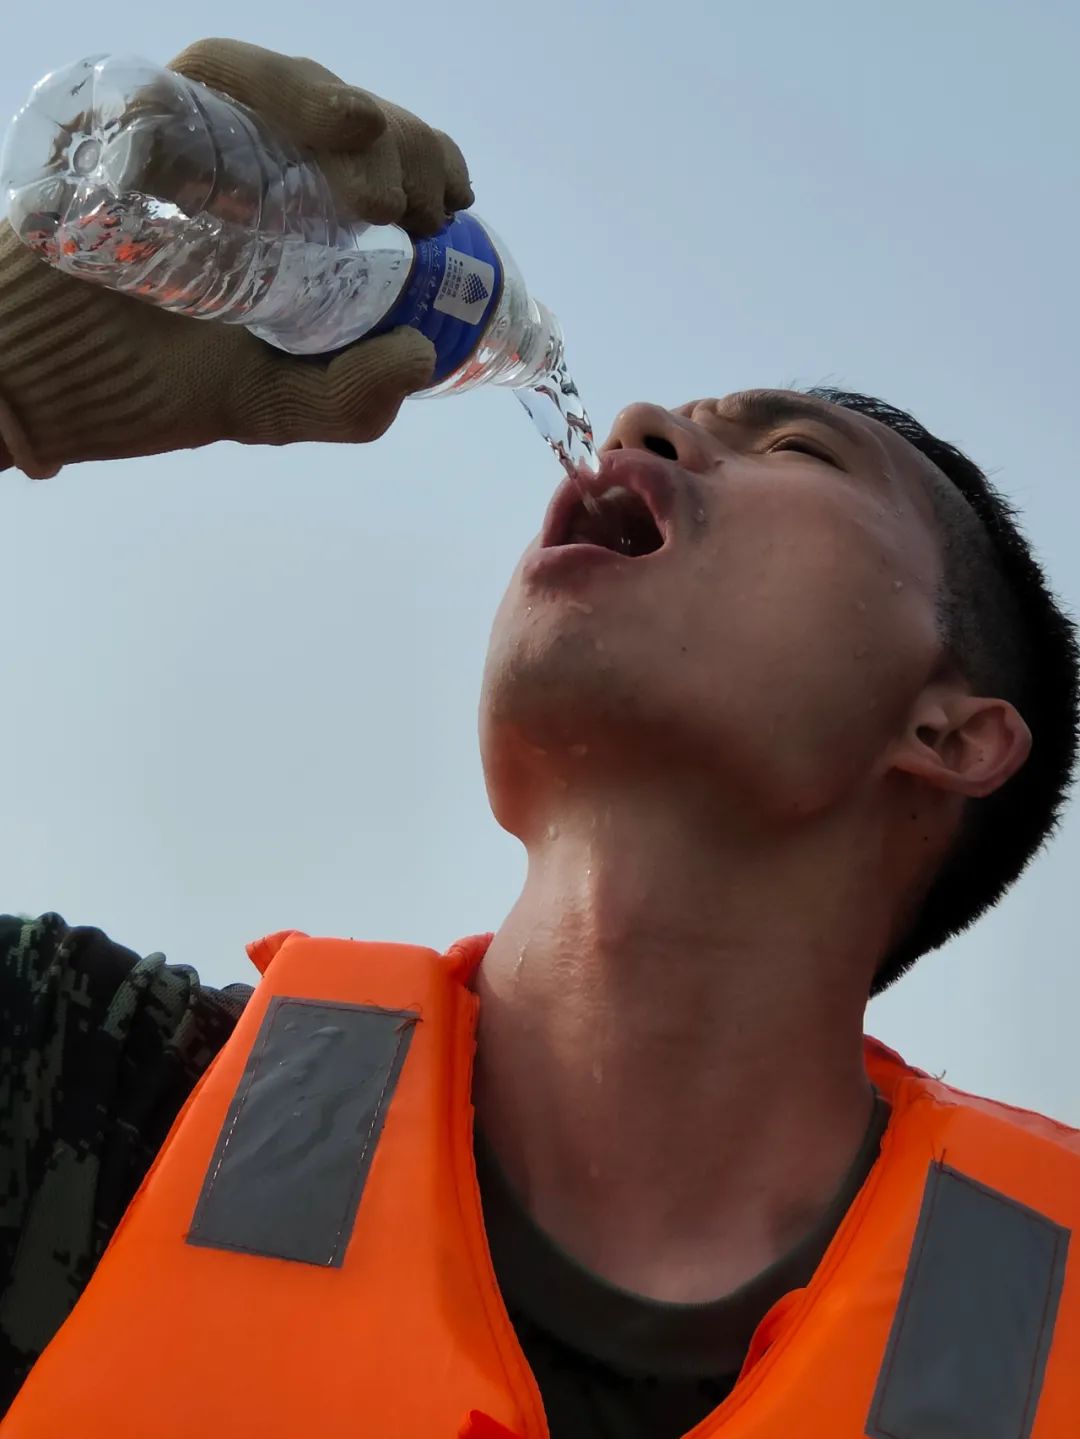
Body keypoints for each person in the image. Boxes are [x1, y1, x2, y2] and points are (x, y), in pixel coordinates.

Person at [0, 36, 1078, 1439]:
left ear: (950, 731)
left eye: (799, 452)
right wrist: (20, 369)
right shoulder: (84, 1097)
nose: (639, 424)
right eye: (677, 416)